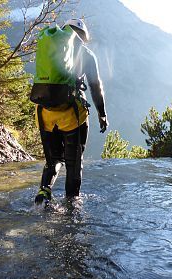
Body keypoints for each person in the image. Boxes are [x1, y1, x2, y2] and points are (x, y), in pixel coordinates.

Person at [34, 18, 108, 205]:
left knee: (53, 160)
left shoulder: (50, 47)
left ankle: (44, 191)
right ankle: (72, 204)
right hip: (72, 116)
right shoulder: (87, 54)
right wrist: (102, 113)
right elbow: (95, 86)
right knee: (74, 163)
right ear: (83, 36)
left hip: (45, 114)